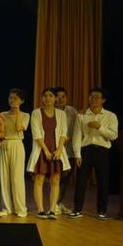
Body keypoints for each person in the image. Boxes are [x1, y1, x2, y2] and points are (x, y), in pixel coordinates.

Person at [70, 87, 119, 219]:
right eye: (91, 96)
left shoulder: (110, 116)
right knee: (81, 181)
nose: (94, 99)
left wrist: (100, 127)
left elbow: (114, 135)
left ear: (103, 100)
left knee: (103, 182)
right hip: (85, 150)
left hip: (102, 151)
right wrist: (77, 155)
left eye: (97, 97)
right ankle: (77, 209)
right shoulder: (81, 115)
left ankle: (102, 211)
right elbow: (76, 136)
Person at [26, 88, 70, 219]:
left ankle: (52, 210)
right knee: (39, 179)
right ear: (42, 98)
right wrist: (45, 150)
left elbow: (63, 133)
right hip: (42, 149)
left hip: (56, 150)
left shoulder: (61, 114)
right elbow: (36, 133)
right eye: (45, 96)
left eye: (51, 96)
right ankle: (40, 210)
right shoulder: (36, 113)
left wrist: (59, 149)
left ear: (55, 98)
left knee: (55, 180)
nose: (48, 98)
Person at [0, 88, 30, 218]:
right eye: (11, 98)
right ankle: (6, 207)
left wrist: (17, 111)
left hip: (17, 144)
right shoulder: (2, 115)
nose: (12, 100)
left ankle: (21, 208)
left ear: (21, 101)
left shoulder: (25, 115)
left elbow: (19, 128)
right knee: (4, 177)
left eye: (15, 98)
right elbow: (1, 132)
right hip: (4, 143)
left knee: (17, 179)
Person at [54, 86, 78, 214]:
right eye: (58, 97)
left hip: (70, 150)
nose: (61, 99)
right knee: (56, 177)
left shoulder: (72, 111)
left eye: (63, 97)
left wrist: (69, 138)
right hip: (55, 149)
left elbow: (76, 128)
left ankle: (58, 203)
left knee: (66, 178)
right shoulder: (50, 111)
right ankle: (54, 204)